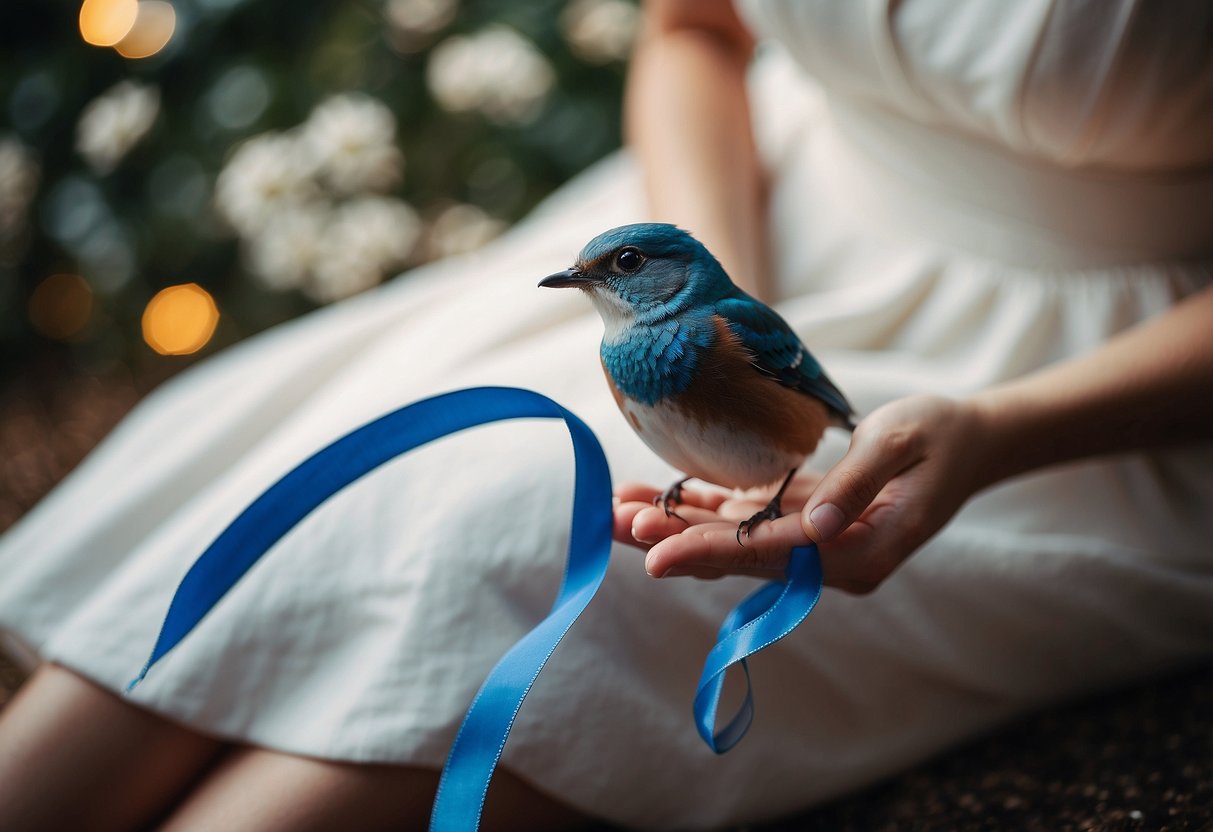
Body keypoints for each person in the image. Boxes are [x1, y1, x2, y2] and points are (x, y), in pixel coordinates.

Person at [2, 0, 1212, 829]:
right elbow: (692, 21)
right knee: (338, 495)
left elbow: (800, 398)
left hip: (1085, 378)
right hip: (736, 214)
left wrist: (997, 430)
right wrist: (709, 293)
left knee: (519, 523)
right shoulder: (652, 292)